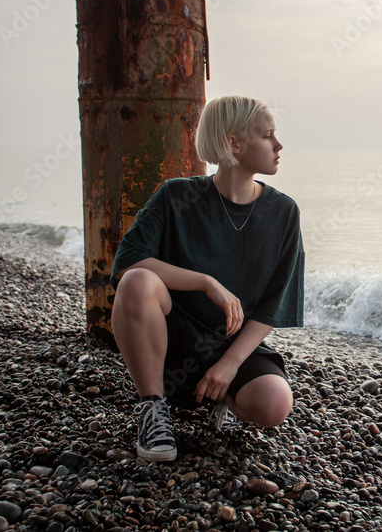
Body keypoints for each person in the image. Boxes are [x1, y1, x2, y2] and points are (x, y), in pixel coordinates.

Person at [110, 96, 304, 462]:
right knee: (137, 281)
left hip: (234, 344)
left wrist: (230, 363)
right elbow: (127, 262)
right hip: (169, 343)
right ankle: (153, 410)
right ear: (234, 143)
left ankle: (224, 400)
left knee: (275, 403)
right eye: (268, 136)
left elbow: (273, 304)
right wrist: (205, 281)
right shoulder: (176, 196)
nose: (279, 146)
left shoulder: (284, 212)